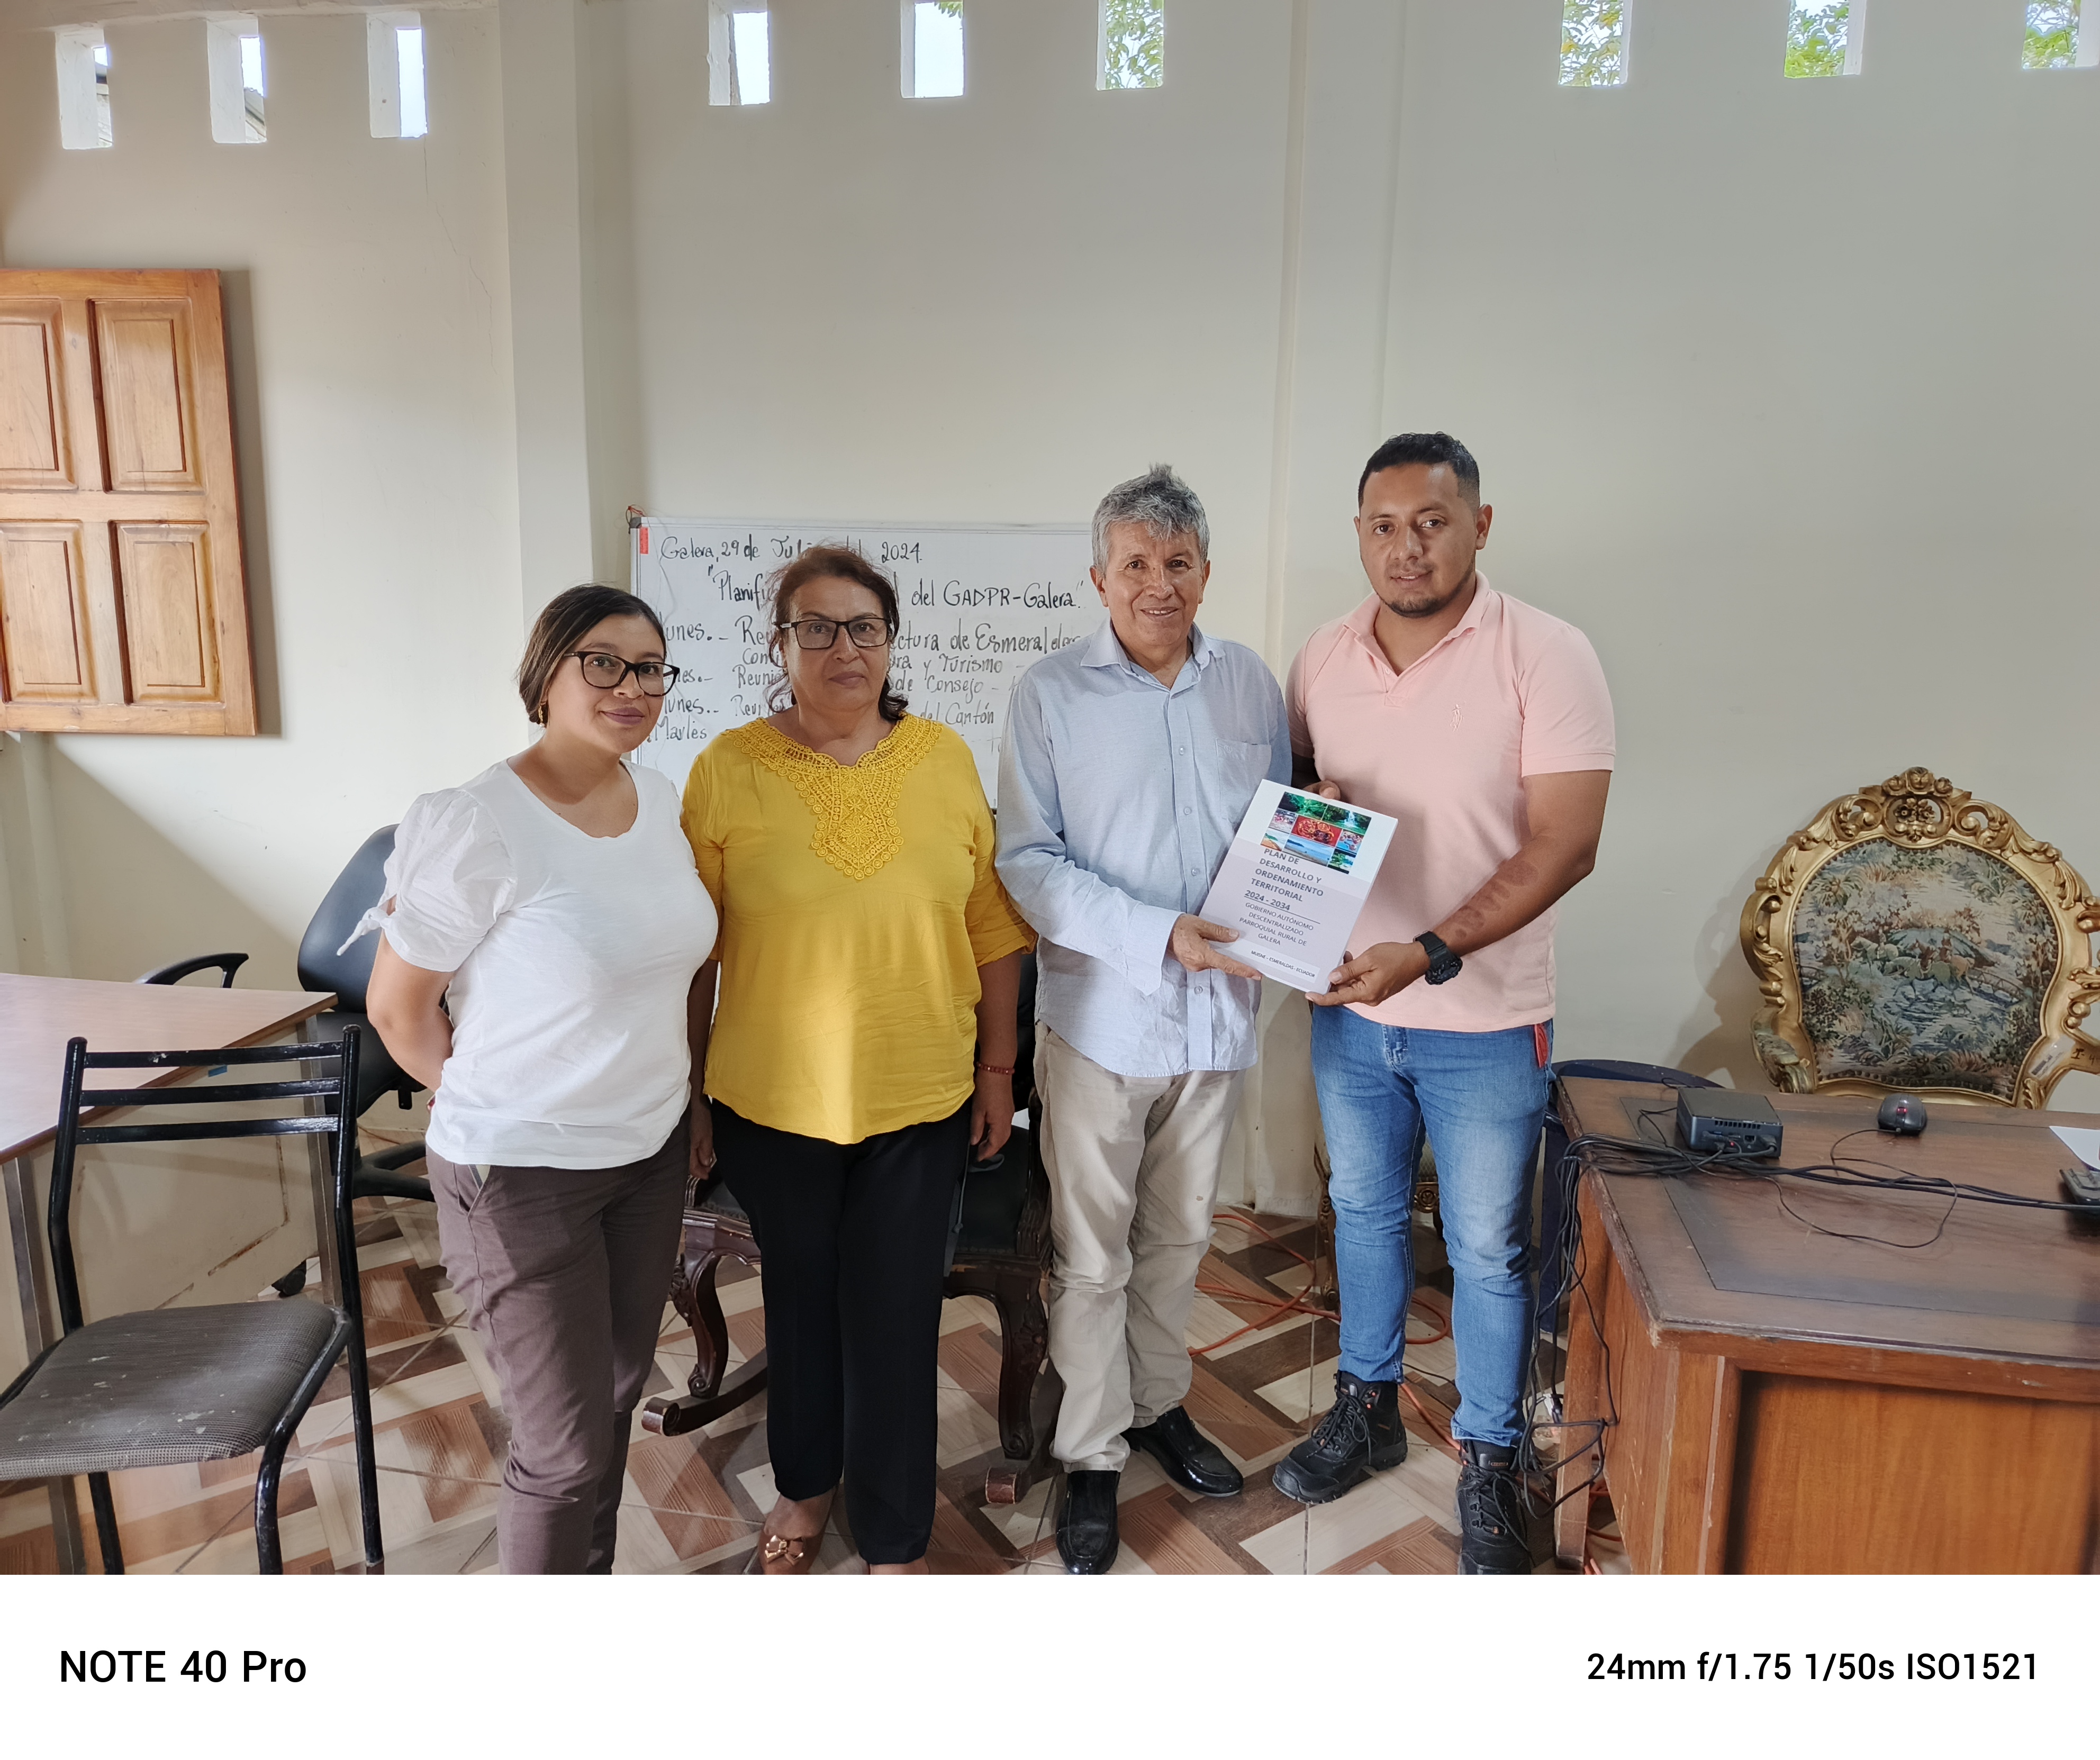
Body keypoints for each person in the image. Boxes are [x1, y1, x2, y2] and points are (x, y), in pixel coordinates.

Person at [1274, 432, 1614, 1575]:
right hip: (1349, 1009)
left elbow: (1566, 846)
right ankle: (1367, 1407)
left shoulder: (1547, 653)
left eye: (1431, 521)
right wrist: (1308, 800)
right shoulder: (1323, 653)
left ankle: (1489, 1454)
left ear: (1480, 524)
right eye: (1383, 525)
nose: (1406, 546)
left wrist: (1424, 953)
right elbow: (1297, 797)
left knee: (1485, 1247)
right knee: (1364, 1213)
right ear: (1359, 534)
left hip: (1486, 1019)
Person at [681, 545, 1033, 1575]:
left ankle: (893, 1533)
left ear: (890, 641)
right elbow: (691, 950)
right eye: (818, 627)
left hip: (919, 1092)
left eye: (865, 627)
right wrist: (691, 1092)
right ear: (780, 644)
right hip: (770, 1098)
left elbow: (992, 929)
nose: (845, 648)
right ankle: (805, 1483)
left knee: (894, 1316)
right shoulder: (727, 768)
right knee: (800, 1303)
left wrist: (998, 1071)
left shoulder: (943, 758)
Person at [363, 584, 718, 1573]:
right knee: (562, 1449)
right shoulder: (478, 821)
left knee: (614, 1397)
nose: (630, 686)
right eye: (603, 662)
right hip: (521, 1174)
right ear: (546, 676)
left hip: (645, 1156)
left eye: (649, 668)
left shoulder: (660, 801)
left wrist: (686, 1104)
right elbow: (397, 1009)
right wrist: (494, 1102)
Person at [997, 465, 1292, 1575]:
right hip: (1102, 1024)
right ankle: (1090, 1453)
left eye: (1178, 562)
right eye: (1136, 564)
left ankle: (1158, 1404)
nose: (1157, 583)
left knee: (1180, 1238)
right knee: (1093, 1257)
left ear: (1207, 572)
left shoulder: (1249, 684)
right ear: (1098, 578)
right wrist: (1160, 934)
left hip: (1217, 1023)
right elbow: (1028, 862)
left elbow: (1280, 835)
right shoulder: (1049, 694)